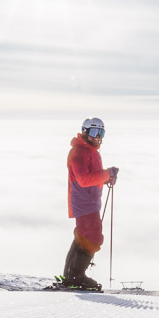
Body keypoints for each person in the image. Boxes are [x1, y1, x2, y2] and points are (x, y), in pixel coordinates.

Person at [61, 117, 117, 290]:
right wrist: (107, 173)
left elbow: (92, 176)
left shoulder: (89, 151)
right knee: (93, 237)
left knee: (83, 237)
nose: (98, 137)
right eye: (94, 132)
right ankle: (75, 277)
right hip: (84, 202)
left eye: (101, 133)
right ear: (84, 132)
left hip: (89, 201)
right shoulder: (79, 152)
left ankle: (70, 275)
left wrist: (106, 178)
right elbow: (84, 180)